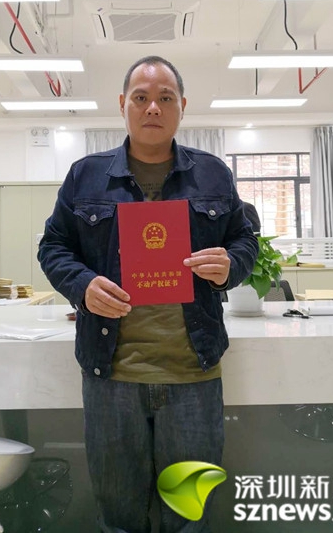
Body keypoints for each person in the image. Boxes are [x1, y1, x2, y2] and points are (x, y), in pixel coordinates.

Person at [37, 55, 258, 532]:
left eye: (164, 98)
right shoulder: (86, 176)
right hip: (111, 375)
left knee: (189, 517)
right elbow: (53, 247)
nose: (152, 107)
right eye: (141, 97)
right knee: (119, 517)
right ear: (123, 104)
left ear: (182, 106)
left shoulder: (212, 174)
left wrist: (230, 265)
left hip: (194, 373)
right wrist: (82, 285)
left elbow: (245, 240)